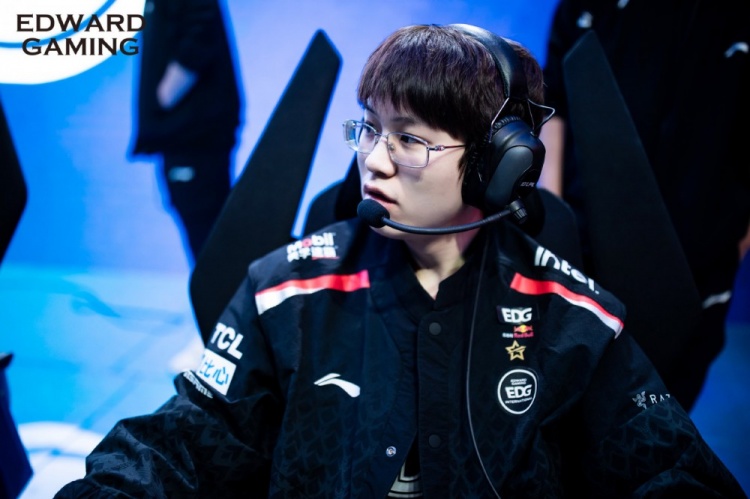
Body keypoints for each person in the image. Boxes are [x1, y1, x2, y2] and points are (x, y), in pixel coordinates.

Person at [56, 24, 745, 498]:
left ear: (498, 167)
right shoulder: (284, 292)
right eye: (369, 128)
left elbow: (667, 467)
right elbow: (179, 443)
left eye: (409, 139)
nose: (374, 161)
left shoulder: (575, 320)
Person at [538, 0, 750, 412]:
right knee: (564, 414)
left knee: (660, 421)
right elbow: (554, 105)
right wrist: (554, 225)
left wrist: (731, 250)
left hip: (696, 271)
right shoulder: (586, 7)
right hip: (584, 256)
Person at [131, 0, 242, 264]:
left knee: (209, 241)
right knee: (206, 237)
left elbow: (200, 33)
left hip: (193, 136)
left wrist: (164, 95)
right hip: (185, 135)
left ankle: (221, 292)